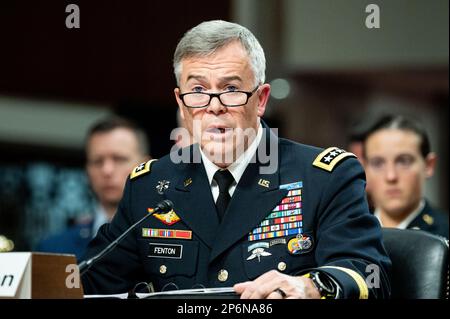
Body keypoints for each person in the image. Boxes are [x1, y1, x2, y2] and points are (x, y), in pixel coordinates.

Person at [81, 20, 391, 299]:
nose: (214, 107)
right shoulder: (150, 186)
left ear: (261, 99)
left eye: (231, 89)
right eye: (198, 90)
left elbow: (369, 276)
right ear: (181, 102)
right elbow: (91, 282)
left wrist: (311, 287)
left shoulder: (324, 178)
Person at [36, 117, 150, 260]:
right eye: (97, 161)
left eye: (119, 159)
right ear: (87, 169)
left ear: (145, 166)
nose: (107, 170)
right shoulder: (54, 250)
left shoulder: (170, 240)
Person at [362, 114, 448, 238]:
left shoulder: (445, 234)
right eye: (378, 163)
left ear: (428, 166)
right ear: (365, 170)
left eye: (404, 161)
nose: (391, 176)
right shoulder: (349, 232)